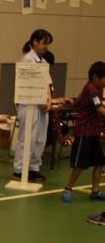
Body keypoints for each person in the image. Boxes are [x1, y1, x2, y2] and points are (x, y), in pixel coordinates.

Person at [61, 61, 105, 203]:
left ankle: (96, 191)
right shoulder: (92, 89)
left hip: (94, 132)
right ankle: (68, 188)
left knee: (99, 162)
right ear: (96, 77)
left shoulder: (97, 88)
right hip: (84, 132)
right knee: (80, 164)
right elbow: (99, 109)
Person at [13, 29, 53, 182]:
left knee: (40, 139)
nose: (46, 47)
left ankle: (33, 167)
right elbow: (30, 85)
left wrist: (48, 101)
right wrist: (42, 101)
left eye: (47, 44)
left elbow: (47, 84)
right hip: (29, 105)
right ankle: (19, 169)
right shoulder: (27, 60)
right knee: (27, 139)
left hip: (42, 107)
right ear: (34, 42)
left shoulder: (42, 61)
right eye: (44, 43)